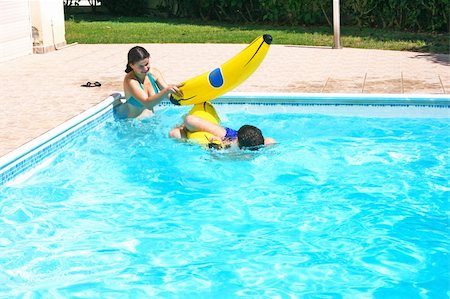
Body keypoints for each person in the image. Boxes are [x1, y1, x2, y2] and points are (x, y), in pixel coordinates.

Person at [114, 46, 183, 119]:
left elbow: (170, 95)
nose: (145, 69)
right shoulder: (130, 81)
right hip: (135, 125)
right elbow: (148, 104)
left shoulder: (154, 73)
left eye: (146, 64)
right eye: (141, 66)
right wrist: (166, 90)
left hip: (153, 120)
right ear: (132, 65)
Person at [169, 108, 276, 150]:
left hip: (242, 141)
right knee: (175, 133)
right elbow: (189, 119)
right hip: (221, 138)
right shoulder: (226, 137)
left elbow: (270, 141)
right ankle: (182, 129)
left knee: (174, 134)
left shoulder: (258, 146)